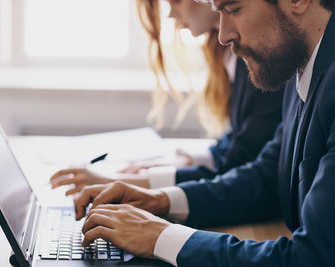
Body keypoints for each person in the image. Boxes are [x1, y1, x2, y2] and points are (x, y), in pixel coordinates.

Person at [71, 0, 335, 266]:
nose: (222, 35)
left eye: (233, 9)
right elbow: (266, 178)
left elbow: (311, 257)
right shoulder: (302, 64)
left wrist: (161, 237)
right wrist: (159, 200)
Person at [48, 0, 283, 193]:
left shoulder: (258, 57)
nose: (170, 13)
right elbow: (239, 141)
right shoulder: (226, 55)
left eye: (176, 1)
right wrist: (182, 161)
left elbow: (239, 160)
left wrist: (123, 182)